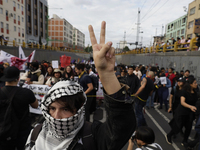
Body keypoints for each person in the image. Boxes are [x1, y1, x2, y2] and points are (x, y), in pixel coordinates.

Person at [25, 21, 136, 150]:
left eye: (65, 109)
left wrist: (106, 74)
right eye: (52, 109)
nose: (56, 117)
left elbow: (121, 127)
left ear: (78, 110)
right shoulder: (36, 133)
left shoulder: (92, 136)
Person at [0, 66, 38, 150]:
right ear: (18, 78)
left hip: (3, 131)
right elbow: (35, 105)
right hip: (22, 132)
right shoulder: (26, 92)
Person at [166, 77, 198, 147]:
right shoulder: (184, 91)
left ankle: (185, 141)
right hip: (182, 112)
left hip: (190, 113)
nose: (196, 84)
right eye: (195, 83)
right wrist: (190, 107)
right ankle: (169, 135)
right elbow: (182, 102)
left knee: (188, 127)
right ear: (190, 84)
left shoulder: (195, 92)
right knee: (178, 126)